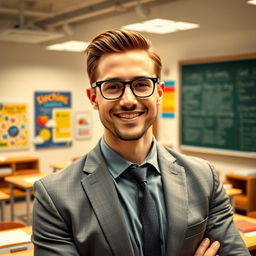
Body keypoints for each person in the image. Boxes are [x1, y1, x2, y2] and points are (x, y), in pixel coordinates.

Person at [32, 29, 249, 256]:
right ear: (94, 98)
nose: (128, 100)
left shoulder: (204, 177)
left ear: (159, 92)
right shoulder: (54, 197)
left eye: (142, 84)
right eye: (113, 87)